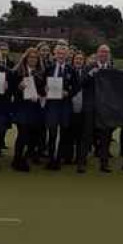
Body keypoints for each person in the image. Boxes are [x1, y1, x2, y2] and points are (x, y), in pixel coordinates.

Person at [78, 45, 113, 173]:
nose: (104, 54)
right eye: (102, 52)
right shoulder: (89, 67)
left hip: (105, 109)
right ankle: (81, 163)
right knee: (86, 135)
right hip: (90, 107)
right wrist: (91, 74)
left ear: (109, 55)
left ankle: (104, 164)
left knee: (105, 137)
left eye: (106, 52)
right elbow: (81, 83)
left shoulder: (111, 69)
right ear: (97, 53)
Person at [43, 42, 75, 170]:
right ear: (55, 54)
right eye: (59, 53)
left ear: (67, 55)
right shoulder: (49, 68)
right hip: (52, 105)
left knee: (63, 133)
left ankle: (59, 158)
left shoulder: (70, 69)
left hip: (65, 105)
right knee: (52, 132)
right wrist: (44, 89)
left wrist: (68, 93)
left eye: (63, 53)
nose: (61, 55)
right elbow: (42, 84)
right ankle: (51, 158)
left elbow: (76, 87)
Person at [10, 48, 43, 172]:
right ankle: (17, 160)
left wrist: (41, 95)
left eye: (35, 57)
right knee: (22, 134)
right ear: (25, 58)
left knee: (33, 136)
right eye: (30, 57)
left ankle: (24, 157)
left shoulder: (40, 73)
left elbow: (43, 90)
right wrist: (19, 87)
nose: (33, 59)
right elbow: (12, 90)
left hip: (35, 108)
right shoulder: (17, 72)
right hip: (21, 107)